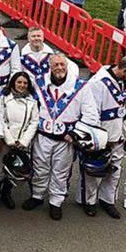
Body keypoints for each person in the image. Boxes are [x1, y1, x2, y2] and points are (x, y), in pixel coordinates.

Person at [23, 53, 97, 221]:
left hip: (66, 139)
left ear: (67, 66)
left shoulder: (81, 86)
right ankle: (37, 196)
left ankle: (56, 202)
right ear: (50, 66)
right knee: (39, 168)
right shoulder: (39, 82)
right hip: (42, 136)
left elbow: (91, 115)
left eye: (62, 64)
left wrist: (74, 133)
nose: (59, 68)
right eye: (55, 65)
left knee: (60, 172)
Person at [77, 57, 126, 219]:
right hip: (102, 137)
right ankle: (88, 201)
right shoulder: (98, 83)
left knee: (114, 171)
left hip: (119, 136)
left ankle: (107, 200)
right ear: (125, 71)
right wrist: (98, 140)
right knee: (93, 171)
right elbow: (92, 113)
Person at [0, 71, 37, 208]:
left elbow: (34, 122)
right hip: (6, 141)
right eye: (19, 82)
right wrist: (10, 140)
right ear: (13, 83)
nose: (22, 85)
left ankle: (6, 194)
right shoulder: (3, 99)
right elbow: (1, 120)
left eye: (25, 83)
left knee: (14, 169)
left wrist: (23, 142)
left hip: (22, 143)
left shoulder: (32, 102)